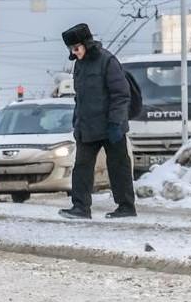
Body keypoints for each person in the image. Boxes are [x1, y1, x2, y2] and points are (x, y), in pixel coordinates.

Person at [57, 23, 137, 220]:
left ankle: (126, 206)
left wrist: (116, 122)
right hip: (87, 127)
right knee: (82, 167)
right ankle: (80, 208)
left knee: (118, 166)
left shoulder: (107, 61)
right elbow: (80, 98)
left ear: (86, 44)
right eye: (71, 50)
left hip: (111, 126)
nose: (74, 53)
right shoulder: (79, 65)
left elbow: (121, 94)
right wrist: (77, 122)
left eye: (76, 48)